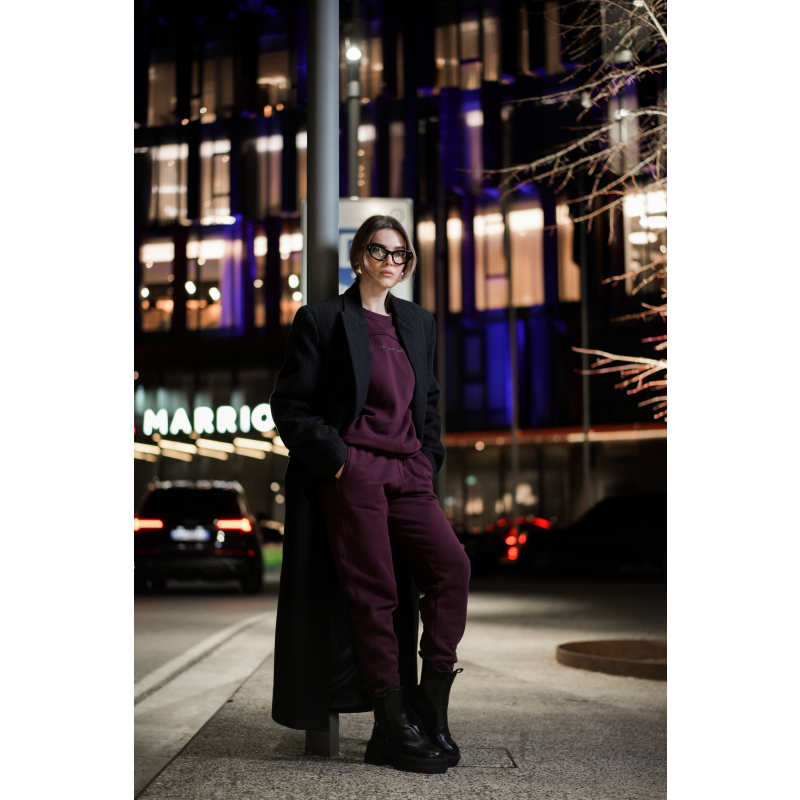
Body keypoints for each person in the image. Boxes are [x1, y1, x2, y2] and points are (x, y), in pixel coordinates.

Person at [269, 214, 471, 774]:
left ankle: (430, 706)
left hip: (409, 473)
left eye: (400, 254)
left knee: (451, 569)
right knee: (375, 593)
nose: (390, 261)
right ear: (359, 256)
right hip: (354, 473)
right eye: (380, 251)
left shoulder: (418, 322)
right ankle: (391, 722)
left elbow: (429, 402)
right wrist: (340, 462)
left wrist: (427, 461)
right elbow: (290, 403)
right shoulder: (323, 319)